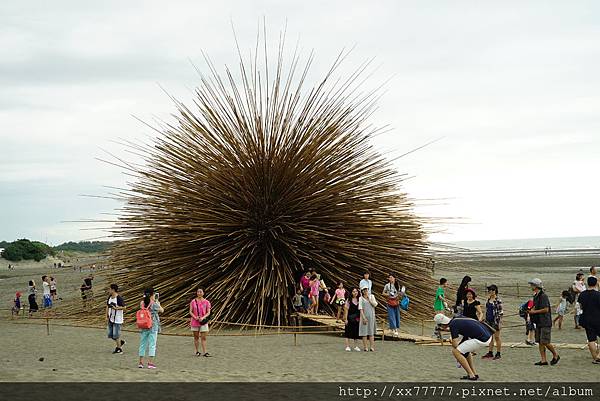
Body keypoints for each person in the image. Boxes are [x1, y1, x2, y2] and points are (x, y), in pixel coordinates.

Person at [434, 314, 492, 381]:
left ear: (442, 324)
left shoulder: (453, 325)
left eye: (439, 325)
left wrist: (450, 341)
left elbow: (455, 345)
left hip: (483, 339)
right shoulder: (456, 319)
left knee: (456, 352)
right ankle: (474, 374)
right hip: (487, 335)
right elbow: (461, 328)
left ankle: (471, 375)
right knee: (465, 350)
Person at [527, 278, 559, 366]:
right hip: (539, 322)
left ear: (536, 286)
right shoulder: (535, 296)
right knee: (540, 342)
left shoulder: (543, 296)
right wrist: (530, 310)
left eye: (532, 285)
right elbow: (535, 307)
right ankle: (543, 360)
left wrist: (534, 312)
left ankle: (555, 355)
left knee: (545, 341)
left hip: (545, 321)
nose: (531, 286)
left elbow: (546, 309)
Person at [138, 288, 163, 369]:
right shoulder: (154, 303)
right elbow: (162, 310)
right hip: (153, 325)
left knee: (142, 344)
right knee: (152, 344)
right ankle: (150, 363)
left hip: (144, 325)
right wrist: (157, 302)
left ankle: (141, 362)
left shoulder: (142, 303)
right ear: (152, 294)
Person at [577, 276, 600, 363]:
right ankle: (599, 355)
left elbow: (581, 307)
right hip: (598, 318)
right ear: (595, 283)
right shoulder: (598, 294)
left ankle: (595, 358)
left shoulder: (582, 294)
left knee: (591, 339)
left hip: (586, 318)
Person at [481, 285, 503, 360]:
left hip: (495, 321)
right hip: (488, 320)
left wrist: (499, 322)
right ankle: (490, 352)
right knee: (490, 337)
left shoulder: (498, 300)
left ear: (495, 291)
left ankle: (498, 353)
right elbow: (486, 309)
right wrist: (484, 317)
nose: (491, 291)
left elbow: (500, 312)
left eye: (492, 290)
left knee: (497, 337)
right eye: (489, 290)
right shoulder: (488, 299)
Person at [189, 288, 211, 357]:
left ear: (203, 293)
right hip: (195, 321)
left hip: (203, 322)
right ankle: (196, 351)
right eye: (198, 292)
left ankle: (205, 352)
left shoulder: (207, 302)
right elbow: (190, 311)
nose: (199, 293)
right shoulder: (193, 301)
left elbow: (208, 312)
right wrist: (195, 317)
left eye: (201, 292)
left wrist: (203, 318)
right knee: (196, 337)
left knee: (203, 337)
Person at [106, 284, 126, 354]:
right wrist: (106, 316)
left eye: (109, 289)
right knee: (110, 334)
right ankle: (120, 342)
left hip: (117, 319)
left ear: (113, 290)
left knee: (116, 335)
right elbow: (107, 306)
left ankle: (119, 349)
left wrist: (116, 308)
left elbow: (124, 307)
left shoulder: (119, 298)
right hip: (110, 318)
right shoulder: (110, 297)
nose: (108, 290)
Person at [358, 286, 378, 351]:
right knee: (364, 332)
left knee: (371, 332)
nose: (365, 291)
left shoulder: (372, 296)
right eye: (364, 290)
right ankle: (365, 347)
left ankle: (372, 347)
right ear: (362, 291)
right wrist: (363, 317)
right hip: (364, 316)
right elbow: (360, 308)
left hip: (371, 316)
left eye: (366, 289)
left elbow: (375, 305)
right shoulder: (360, 298)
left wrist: (369, 300)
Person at [343, 287, 361, 352]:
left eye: (356, 291)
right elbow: (346, 310)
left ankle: (356, 346)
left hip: (357, 318)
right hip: (349, 317)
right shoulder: (349, 300)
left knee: (356, 332)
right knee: (348, 332)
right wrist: (346, 319)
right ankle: (347, 346)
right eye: (353, 291)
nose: (355, 293)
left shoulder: (359, 300)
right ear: (351, 293)